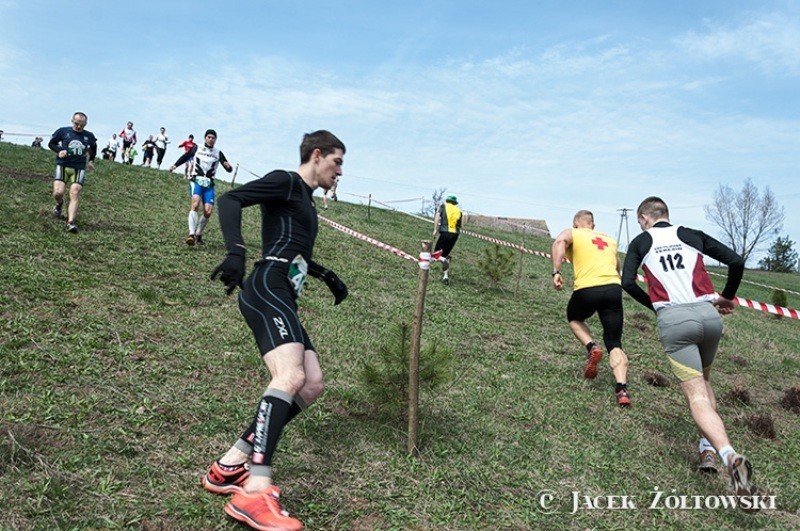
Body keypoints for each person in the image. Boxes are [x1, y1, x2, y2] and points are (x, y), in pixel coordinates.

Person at [203, 130, 348, 531]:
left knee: (312, 383)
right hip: (268, 285)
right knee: (290, 376)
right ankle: (255, 489)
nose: (340, 172)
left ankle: (230, 464)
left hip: (286, 288)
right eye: (337, 162)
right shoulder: (287, 181)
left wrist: (324, 274)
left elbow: (292, 247)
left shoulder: (307, 202)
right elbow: (232, 199)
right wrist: (235, 251)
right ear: (316, 155)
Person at [621, 196, 758, 508]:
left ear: (643, 217)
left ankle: (729, 455)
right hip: (709, 316)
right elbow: (736, 262)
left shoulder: (641, 241)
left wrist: (657, 308)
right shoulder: (692, 234)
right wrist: (726, 298)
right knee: (706, 382)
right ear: (666, 214)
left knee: (695, 395)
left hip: (674, 319)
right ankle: (705, 448)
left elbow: (627, 282)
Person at [551, 210, 631, 406]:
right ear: (593, 225)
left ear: (575, 223)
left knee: (574, 318)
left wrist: (556, 271)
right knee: (614, 342)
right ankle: (622, 390)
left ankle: (591, 347)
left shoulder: (573, 232)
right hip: (613, 289)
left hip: (587, 289)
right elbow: (617, 267)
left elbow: (559, 242)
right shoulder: (609, 240)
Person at [169, 129, 233, 245]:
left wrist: (228, 167)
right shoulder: (197, 148)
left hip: (209, 185)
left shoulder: (218, 152)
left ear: (215, 140)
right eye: (208, 137)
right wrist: (175, 165)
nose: (210, 139)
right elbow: (186, 156)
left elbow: (228, 168)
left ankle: (198, 234)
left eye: (213, 138)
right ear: (205, 138)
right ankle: (191, 234)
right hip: (196, 181)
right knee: (195, 205)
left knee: (208, 212)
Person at [48, 112, 97, 233]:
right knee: (58, 193)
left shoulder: (89, 136)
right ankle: (59, 204)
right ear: (72, 121)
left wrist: (91, 161)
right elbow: (51, 143)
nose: (79, 127)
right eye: (76, 123)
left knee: (74, 193)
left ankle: (70, 223)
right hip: (63, 165)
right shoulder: (63, 131)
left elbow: (94, 148)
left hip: (79, 168)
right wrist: (59, 150)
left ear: (85, 124)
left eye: (82, 125)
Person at [432, 195, 462, 285]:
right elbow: (461, 225)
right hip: (455, 234)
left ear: (447, 201)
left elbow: (437, 217)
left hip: (445, 232)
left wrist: (435, 229)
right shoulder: (459, 211)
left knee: (436, 254)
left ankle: (443, 261)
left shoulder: (443, 206)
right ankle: (445, 276)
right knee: (445, 255)